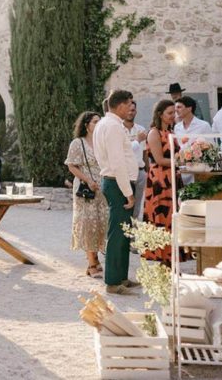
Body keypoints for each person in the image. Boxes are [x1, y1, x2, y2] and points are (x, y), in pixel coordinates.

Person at [93, 90, 139, 294]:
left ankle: (122, 277)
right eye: (129, 104)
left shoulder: (106, 124)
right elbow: (117, 162)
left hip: (115, 181)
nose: (131, 108)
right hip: (118, 182)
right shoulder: (112, 127)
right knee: (118, 233)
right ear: (120, 105)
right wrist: (128, 192)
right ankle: (112, 281)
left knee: (124, 232)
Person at [65, 111, 107, 278]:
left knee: (101, 223)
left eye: (99, 121)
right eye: (95, 122)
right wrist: (89, 180)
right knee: (89, 225)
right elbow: (72, 166)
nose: (98, 124)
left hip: (103, 188)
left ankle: (95, 259)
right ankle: (92, 263)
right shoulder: (77, 143)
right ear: (86, 125)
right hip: (86, 189)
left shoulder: (102, 142)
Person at [142, 100, 184, 266]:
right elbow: (159, 159)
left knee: (174, 217)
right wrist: (181, 161)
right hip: (160, 178)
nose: (173, 116)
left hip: (173, 176)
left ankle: (172, 259)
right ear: (160, 114)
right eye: (169, 113)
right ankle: (163, 259)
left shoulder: (170, 132)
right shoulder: (154, 133)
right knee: (162, 216)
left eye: (174, 112)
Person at [123, 102, 148, 221]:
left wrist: (147, 170)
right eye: (128, 109)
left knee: (137, 206)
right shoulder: (118, 129)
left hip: (139, 171)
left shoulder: (141, 129)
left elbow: (144, 152)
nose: (130, 112)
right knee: (124, 203)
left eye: (132, 110)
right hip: (124, 172)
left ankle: (133, 234)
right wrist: (136, 140)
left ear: (136, 111)